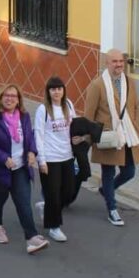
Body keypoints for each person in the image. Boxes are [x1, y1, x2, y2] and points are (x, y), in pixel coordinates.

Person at [0, 85, 49, 254]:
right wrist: (3, 158)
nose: (10, 99)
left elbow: (30, 136)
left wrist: (32, 152)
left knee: (23, 201)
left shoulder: (23, 117)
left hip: (20, 167)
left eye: (13, 96)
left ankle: (31, 237)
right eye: (6, 95)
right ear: (1, 98)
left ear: (18, 100)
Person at [85, 49, 139, 227]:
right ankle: (112, 209)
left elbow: (136, 106)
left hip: (128, 136)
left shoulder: (129, 82)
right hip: (108, 137)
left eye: (121, 61)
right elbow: (89, 115)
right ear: (107, 63)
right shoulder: (97, 85)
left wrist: (136, 127)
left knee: (129, 172)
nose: (118, 64)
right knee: (108, 173)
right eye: (114, 61)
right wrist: (90, 138)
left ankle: (106, 191)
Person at [34, 77, 83, 243]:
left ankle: (46, 207)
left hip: (67, 155)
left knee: (68, 191)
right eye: (53, 89)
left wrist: (77, 138)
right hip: (50, 158)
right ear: (48, 91)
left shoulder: (68, 104)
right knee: (53, 193)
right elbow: (39, 135)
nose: (56, 92)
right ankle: (54, 227)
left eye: (59, 88)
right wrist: (41, 161)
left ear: (64, 90)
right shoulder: (43, 110)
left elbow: (73, 126)